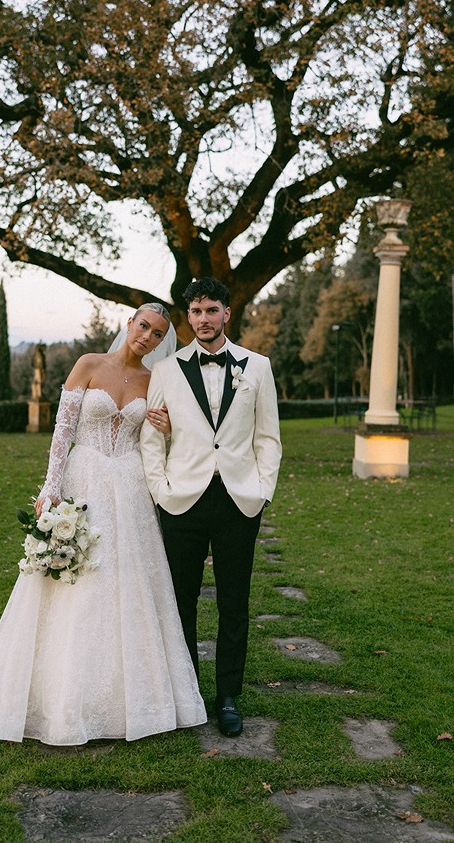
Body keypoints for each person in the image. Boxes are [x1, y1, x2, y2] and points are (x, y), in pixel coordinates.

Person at [0, 304, 206, 746]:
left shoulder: (156, 382)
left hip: (130, 488)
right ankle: (61, 696)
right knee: (75, 578)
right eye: (144, 326)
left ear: (161, 341)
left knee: (127, 580)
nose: (147, 337)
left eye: (157, 334)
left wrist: (168, 429)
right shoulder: (89, 365)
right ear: (130, 322)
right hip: (85, 480)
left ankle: (136, 697)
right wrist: (51, 489)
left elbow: (159, 439)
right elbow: (63, 430)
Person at [140, 278, 282, 737]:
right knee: (180, 601)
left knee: (234, 603)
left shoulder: (257, 367)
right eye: (196, 312)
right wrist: (162, 491)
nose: (204, 319)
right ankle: (187, 694)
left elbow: (268, 437)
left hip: (239, 501)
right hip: (182, 501)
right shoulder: (167, 371)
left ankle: (227, 696)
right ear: (189, 317)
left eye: (212, 310)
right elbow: (151, 437)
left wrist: (261, 492)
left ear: (227, 314)